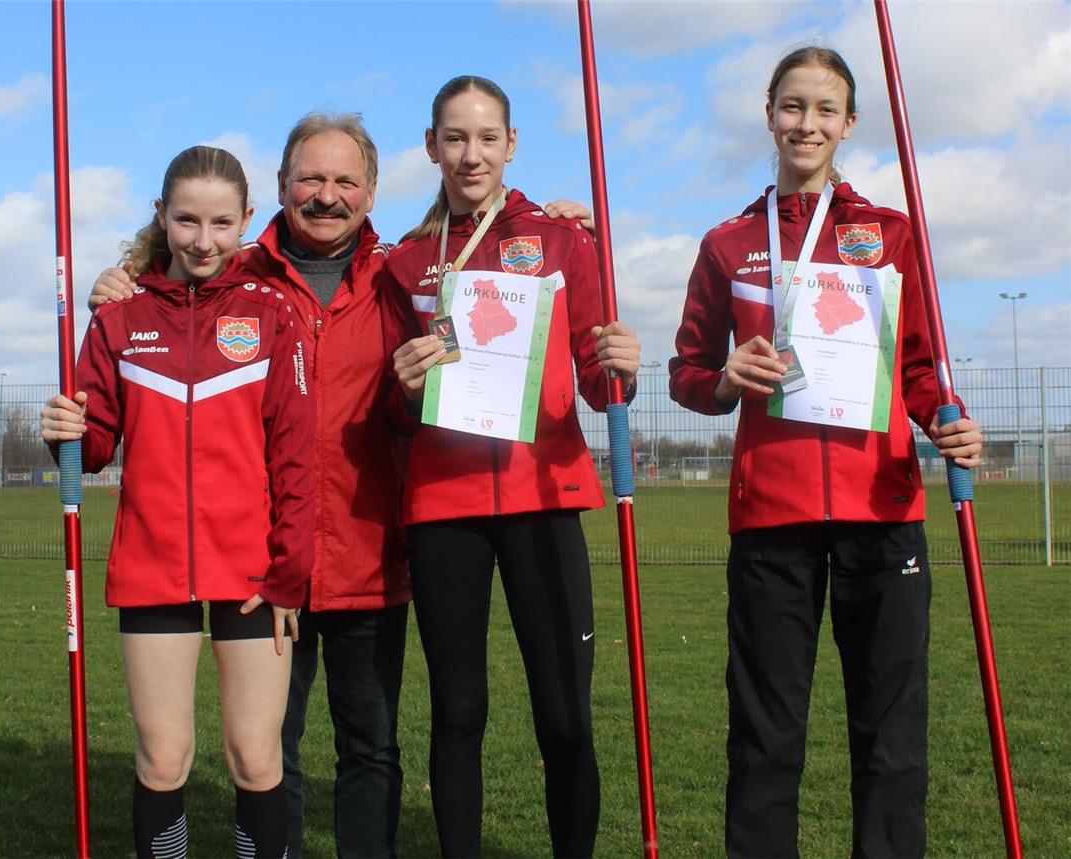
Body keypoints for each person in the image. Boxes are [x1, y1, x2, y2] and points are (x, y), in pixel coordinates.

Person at [87, 113, 594, 859]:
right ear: (282, 187)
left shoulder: (401, 274)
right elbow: (170, 307)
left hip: (366, 549)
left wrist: (552, 222)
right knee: (269, 752)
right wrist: (126, 279)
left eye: (345, 181)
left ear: (373, 190)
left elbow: (480, 325)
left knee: (370, 747)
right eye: (311, 180)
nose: (327, 196)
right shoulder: (237, 273)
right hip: (262, 562)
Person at [668, 47, 984, 858]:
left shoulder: (889, 234)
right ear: (768, 114)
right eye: (791, 106)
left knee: (890, 734)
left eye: (824, 109)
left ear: (849, 124)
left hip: (882, 509)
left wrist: (949, 418)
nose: (806, 123)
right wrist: (724, 378)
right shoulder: (727, 241)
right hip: (771, 518)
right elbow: (687, 371)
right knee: (766, 736)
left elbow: (919, 366)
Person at [386, 75, 640, 858]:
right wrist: (402, 384)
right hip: (444, 506)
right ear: (431, 146)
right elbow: (393, 408)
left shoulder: (566, 240)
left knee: (563, 712)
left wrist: (621, 364)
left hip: (543, 494)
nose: (471, 154)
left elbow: (603, 385)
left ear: (513, 143)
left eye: (487, 137)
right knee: (459, 710)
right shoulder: (404, 262)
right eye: (455, 138)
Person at [41, 145, 315, 859]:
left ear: (248, 220)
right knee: (164, 757)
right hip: (153, 565)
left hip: (253, 574)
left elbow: (295, 457)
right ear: (161, 217)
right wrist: (65, 431)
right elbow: (95, 445)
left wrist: (291, 570)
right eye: (187, 220)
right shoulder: (118, 319)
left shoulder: (271, 313)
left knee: (256, 756)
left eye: (221, 223)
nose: (203, 240)